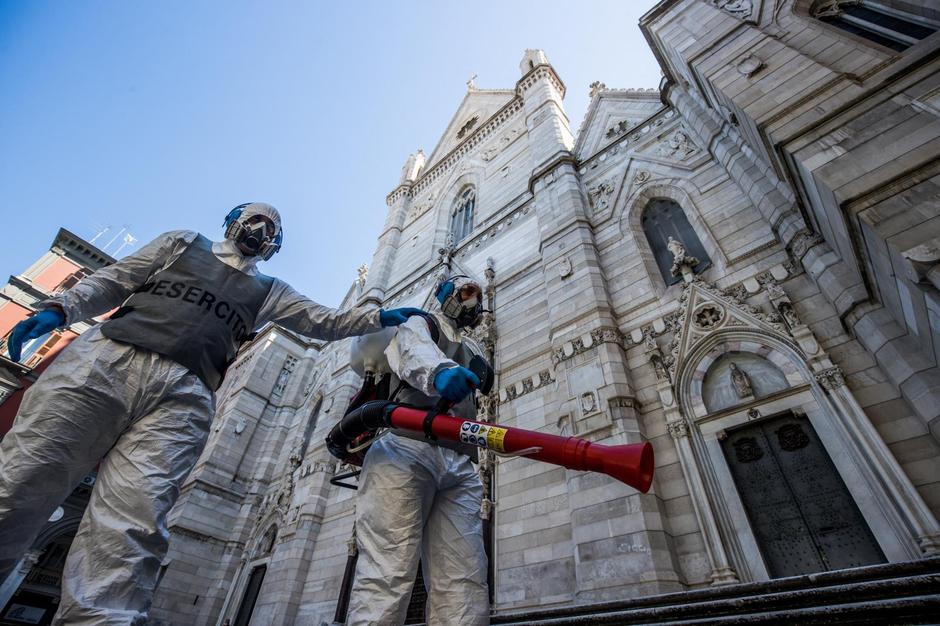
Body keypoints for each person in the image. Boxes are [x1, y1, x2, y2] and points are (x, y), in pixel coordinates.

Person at [0, 202, 424, 625]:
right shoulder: (183, 243)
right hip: (107, 362)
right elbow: (117, 279)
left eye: (272, 227)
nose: (261, 229)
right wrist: (61, 308)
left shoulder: (271, 290)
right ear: (232, 220)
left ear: (275, 246)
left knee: (134, 520)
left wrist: (377, 316)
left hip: (184, 396)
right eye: (256, 218)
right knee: (21, 479)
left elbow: (323, 321)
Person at [346, 276, 490, 626]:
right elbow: (411, 350)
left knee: (465, 578)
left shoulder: (473, 349)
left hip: (459, 462)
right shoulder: (421, 323)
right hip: (406, 449)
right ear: (447, 296)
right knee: (386, 573)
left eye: (478, 297)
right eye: (468, 293)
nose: (473, 303)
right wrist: (439, 372)